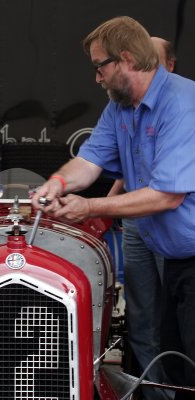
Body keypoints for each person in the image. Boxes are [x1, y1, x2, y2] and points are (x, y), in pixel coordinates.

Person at [32, 16, 195, 399]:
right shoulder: (120, 108)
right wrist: (55, 184)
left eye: (99, 66)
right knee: (178, 366)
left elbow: (166, 195)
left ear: (125, 59)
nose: (96, 78)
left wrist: (89, 207)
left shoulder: (183, 105)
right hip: (173, 258)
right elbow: (89, 163)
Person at [106, 37, 176, 400]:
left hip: (172, 223)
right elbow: (126, 162)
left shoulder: (179, 107)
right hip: (136, 223)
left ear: (169, 67)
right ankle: (155, 394)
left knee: (176, 317)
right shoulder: (125, 108)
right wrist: (110, 200)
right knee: (141, 314)